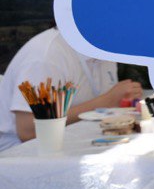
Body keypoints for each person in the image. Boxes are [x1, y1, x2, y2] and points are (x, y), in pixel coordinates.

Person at [0, 26, 143, 151]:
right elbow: (28, 130)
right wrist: (106, 101)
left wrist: (122, 100)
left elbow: (106, 107)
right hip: (20, 155)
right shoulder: (47, 56)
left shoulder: (103, 48)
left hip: (78, 141)